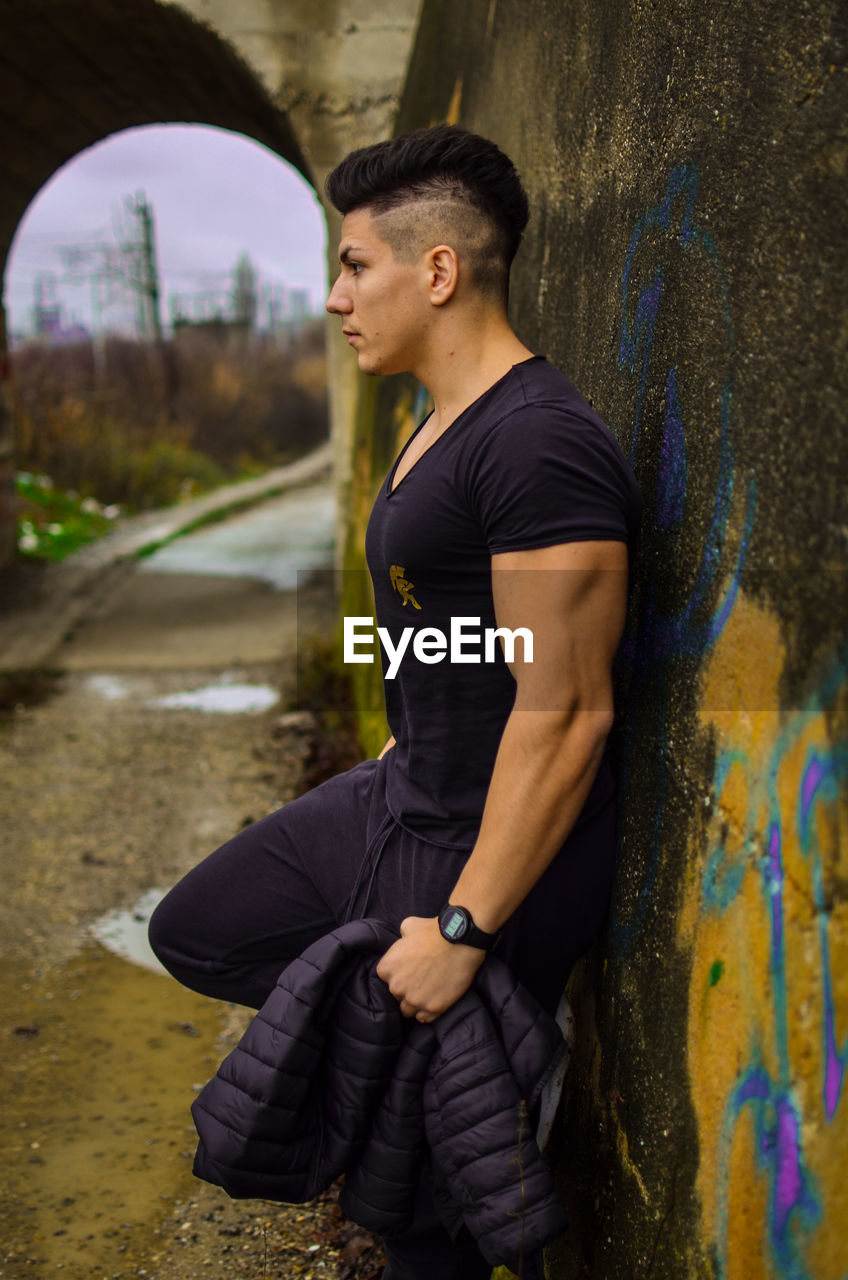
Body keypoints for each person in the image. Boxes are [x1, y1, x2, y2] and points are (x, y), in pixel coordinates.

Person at [149, 123, 641, 1280]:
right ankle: (402, 1047)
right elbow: (446, 634)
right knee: (198, 925)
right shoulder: (440, 420)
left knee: (416, 1209)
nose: (334, 297)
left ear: (437, 270)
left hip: (479, 845)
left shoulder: (536, 447)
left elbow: (566, 710)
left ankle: (481, 1053)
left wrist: (464, 930)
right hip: (400, 795)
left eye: (354, 264)